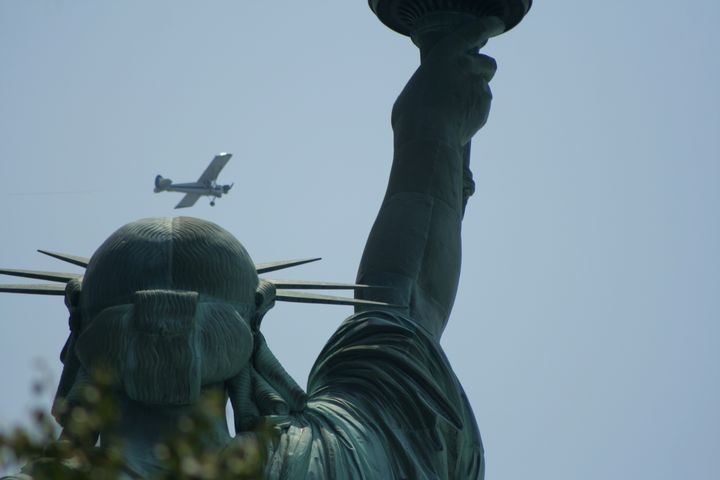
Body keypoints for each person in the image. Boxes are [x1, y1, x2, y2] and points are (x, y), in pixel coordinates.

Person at [6, 17, 504, 480]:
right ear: (253, 318)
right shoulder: (337, 456)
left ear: (83, 331)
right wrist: (433, 130)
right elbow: (406, 303)